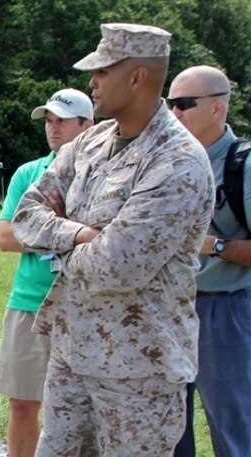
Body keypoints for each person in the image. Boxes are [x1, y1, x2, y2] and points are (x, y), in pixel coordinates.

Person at [12, 23, 216, 456]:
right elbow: (26, 216)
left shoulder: (177, 162)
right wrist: (83, 234)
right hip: (71, 355)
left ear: (137, 78)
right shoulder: (90, 141)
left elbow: (115, 266)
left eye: (102, 71)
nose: (92, 82)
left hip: (138, 372)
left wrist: (61, 239)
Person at [0, 88, 93, 457]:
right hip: (29, 303)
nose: (53, 129)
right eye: (49, 121)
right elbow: (6, 235)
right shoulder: (29, 172)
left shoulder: (104, 172)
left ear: (88, 124)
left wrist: (42, 225)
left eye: (62, 121)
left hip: (84, 306)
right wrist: (67, 229)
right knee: (22, 405)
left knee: (80, 413)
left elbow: (108, 237)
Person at [169, 66, 251, 457]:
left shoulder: (244, 165)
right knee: (170, 426)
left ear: (218, 108)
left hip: (227, 309)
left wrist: (212, 245)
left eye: (184, 104)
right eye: (169, 104)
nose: (174, 113)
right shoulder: (169, 164)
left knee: (232, 426)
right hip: (171, 308)